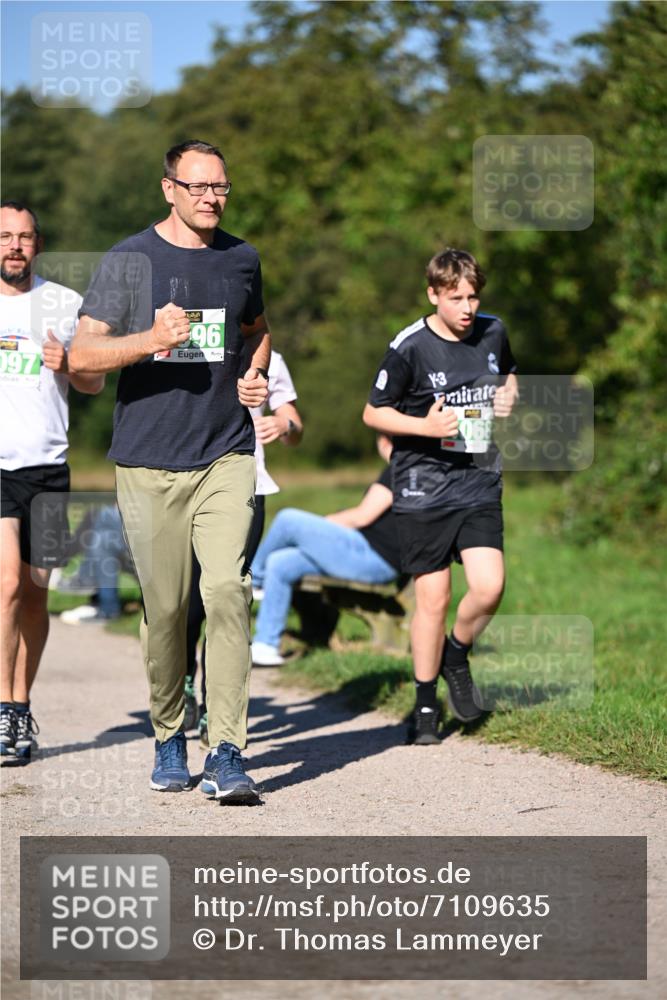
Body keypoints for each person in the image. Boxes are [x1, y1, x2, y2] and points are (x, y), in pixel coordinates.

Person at [68, 140, 271, 803]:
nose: (211, 197)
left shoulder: (242, 258)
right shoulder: (130, 260)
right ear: (168, 190)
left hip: (225, 453)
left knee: (226, 591)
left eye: (221, 187)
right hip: (148, 460)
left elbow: (258, 328)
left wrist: (255, 372)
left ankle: (229, 750)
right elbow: (82, 356)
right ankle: (168, 733)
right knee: (164, 613)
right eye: (198, 187)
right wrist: (151, 341)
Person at [363, 248, 518, 744]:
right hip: (422, 485)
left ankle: (457, 652)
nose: (467, 308)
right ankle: (425, 705)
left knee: (490, 586)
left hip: (477, 479)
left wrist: (509, 392)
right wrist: (424, 427)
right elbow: (374, 413)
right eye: (456, 299)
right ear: (433, 295)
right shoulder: (409, 346)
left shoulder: (493, 330)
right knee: (434, 597)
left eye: (473, 296)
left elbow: (508, 371)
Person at [0, 201, 104, 763]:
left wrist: (68, 362)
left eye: (24, 237)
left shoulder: (63, 304)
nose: (14, 246)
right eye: (4, 237)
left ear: (38, 245)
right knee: (8, 586)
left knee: (37, 594)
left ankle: (20, 705)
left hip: (48, 467)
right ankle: (2, 710)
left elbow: (92, 382)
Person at [186, 349, 303, 744]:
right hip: (184, 486)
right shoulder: (186, 347)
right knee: (186, 601)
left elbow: (295, 425)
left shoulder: (272, 360)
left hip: (248, 487)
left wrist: (282, 425)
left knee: (227, 597)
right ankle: (184, 679)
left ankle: (212, 709)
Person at [250, 435, 400, 665]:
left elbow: (362, 516)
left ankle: (254, 579)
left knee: (288, 520)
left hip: (371, 557)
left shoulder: (398, 469)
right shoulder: (407, 470)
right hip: (368, 554)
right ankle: (265, 645)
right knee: (281, 563)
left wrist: (322, 526)